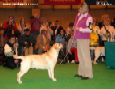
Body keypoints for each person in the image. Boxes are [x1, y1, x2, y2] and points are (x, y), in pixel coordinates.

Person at [73, 2, 93, 80]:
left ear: (84, 8)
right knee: (80, 57)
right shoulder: (79, 16)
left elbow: (90, 30)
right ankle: (81, 73)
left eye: (80, 8)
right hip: (79, 38)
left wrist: (80, 29)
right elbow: (75, 25)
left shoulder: (89, 17)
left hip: (84, 39)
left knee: (86, 57)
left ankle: (88, 74)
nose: (79, 9)